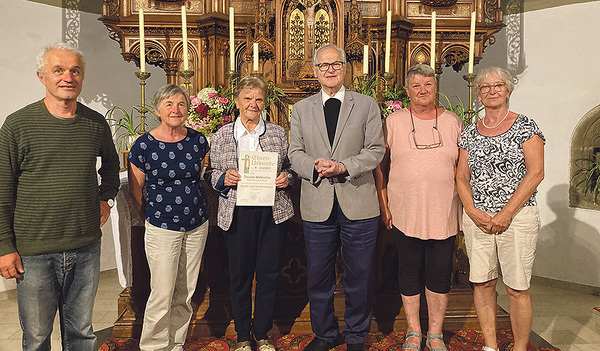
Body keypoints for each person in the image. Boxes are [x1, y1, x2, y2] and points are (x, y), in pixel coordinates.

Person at [0, 42, 120, 350]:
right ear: (42, 76)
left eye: (75, 70)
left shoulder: (94, 123)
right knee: (38, 337)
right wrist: (4, 247)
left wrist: (106, 198)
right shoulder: (17, 125)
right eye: (58, 70)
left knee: (81, 332)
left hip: (86, 247)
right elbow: (2, 190)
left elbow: (111, 165)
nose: (67, 77)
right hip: (35, 251)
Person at [288, 44, 385, 351]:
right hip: (317, 203)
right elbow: (294, 153)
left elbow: (376, 150)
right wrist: (314, 166)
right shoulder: (302, 109)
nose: (330, 70)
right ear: (315, 70)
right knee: (318, 277)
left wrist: (344, 166)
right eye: (324, 65)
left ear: (346, 68)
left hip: (358, 200)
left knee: (360, 277)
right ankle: (325, 334)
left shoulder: (367, 105)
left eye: (336, 64)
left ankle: (356, 335)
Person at [374, 64, 462, 351]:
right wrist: (384, 204)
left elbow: (463, 169)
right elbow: (380, 167)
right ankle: (414, 331)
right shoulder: (394, 122)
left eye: (428, 84)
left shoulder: (453, 122)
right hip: (405, 211)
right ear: (407, 90)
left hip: (444, 210)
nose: (422, 90)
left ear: (435, 87)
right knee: (409, 269)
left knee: (439, 272)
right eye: (416, 85)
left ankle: (435, 333)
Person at [456, 67, 545, 351]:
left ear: (508, 90)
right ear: (479, 93)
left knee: (517, 288)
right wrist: (471, 210)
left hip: (517, 217)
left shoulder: (525, 126)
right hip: (478, 219)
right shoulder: (470, 132)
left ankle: (519, 347)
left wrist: (506, 213)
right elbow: (461, 176)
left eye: (498, 85)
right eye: (485, 87)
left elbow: (536, 172)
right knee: (482, 284)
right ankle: (491, 346)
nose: (492, 90)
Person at [206, 76, 294, 351]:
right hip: (237, 211)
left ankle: (262, 333)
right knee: (240, 275)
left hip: (272, 212)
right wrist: (223, 177)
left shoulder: (278, 133)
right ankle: (243, 334)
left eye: (258, 99)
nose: (253, 104)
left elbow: (292, 167)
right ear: (237, 102)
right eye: (247, 98)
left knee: (268, 274)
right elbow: (210, 173)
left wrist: (287, 178)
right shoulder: (221, 135)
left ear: (264, 102)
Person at [128, 84, 210, 351]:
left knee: (185, 293)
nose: (176, 109)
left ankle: (175, 344)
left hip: (196, 224)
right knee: (162, 293)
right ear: (157, 110)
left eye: (181, 104)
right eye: (169, 104)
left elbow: (200, 177)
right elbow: (136, 189)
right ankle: (153, 346)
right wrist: (153, 215)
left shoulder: (198, 140)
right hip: (162, 226)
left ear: (188, 109)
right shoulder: (143, 145)